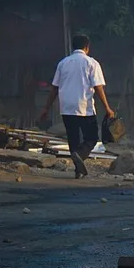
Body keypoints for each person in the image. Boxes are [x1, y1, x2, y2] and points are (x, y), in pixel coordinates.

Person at [40, 34, 114, 178]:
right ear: (87, 47)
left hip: (66, 107)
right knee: (91, 137)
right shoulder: (91, 63)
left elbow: (54, 88)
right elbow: (98, 87)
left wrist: (46, 108)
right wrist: (107, 108)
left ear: (73, 47)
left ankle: (78, 171)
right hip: (84, 107)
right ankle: (79, 155)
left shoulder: (63, 63)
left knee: (73, 138)